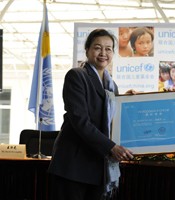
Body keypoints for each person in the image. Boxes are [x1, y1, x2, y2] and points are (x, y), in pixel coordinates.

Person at [48, 29, 134, 200]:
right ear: (87, 50)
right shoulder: (77, 76)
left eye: (108, 49)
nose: (103, 53)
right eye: (97, 48)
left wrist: (127, 102)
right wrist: (111, 147)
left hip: (98, 167)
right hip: (74, 167)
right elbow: (80, 121)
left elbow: (109, 115)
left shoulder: (111, 86)